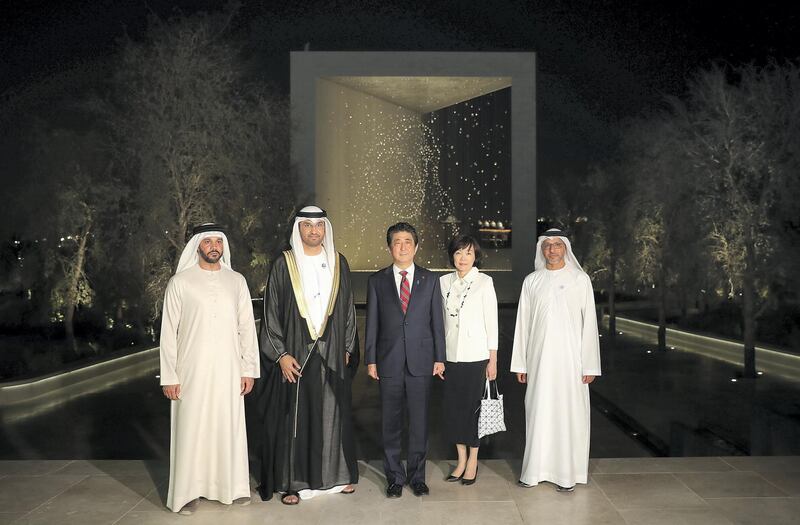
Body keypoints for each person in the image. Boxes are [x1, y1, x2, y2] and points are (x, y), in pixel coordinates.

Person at [257, 206, 359, 505]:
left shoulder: (338, 262)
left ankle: (335, 478)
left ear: (325, 229)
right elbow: (271, 313)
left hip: (331, 351)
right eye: (307, 226)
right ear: (298, 229)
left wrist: (348, 347)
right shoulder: (284, 264)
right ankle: (294, 483)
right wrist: (281, 355)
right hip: (296, 354)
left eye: (319, 225)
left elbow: (348, 309)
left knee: (332, 415)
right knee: (296, 420)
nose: (314, 231)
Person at [159, 223, 260, 515]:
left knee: (227, 427)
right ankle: (187, 493)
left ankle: (231, 487)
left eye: (219, 241)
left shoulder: (237, 281)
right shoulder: (180, 282)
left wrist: (248, 369)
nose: (214, 246)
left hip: (229, 370)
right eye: (208, 242)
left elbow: (246, 328)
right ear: (198, 246)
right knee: (192, 430)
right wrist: (169, 375)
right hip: (190, 371)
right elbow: (168, 333)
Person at [510, 228, 601, 492]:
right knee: (538, 411)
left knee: (569, 414)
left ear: (566, 249)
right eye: (547, 245)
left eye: (557, 245)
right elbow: (522, 325)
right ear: (542, 250)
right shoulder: (532, 281)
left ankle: (567, 475)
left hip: (571, 362)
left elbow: (589, 324)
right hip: (539, 361)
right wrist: (521, 364)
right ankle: (533, 472)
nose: (552, 250)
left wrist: (590, 364)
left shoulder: (580, 279)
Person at [365, 222, 446, 498]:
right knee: (390, 422)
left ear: (416, 246)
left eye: (407, 242)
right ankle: (394, 478)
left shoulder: (430, 279)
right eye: (397, 242)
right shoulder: (377, 281)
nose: (402, 247)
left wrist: (440, 357)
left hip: (421, 360)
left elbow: (438, 322)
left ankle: (418, 477)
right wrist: (371, 360)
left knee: (420, 422)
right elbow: (372, 323)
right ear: (389, 247)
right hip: (388, 361)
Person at [439, 235, 498, 485]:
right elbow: (439, 322)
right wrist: (438, 357)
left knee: (474, 410)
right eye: (458, 253)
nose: (463, 258)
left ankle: (473, 459)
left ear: (476, 257)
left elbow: (492, 323)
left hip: (477, 356)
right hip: (451, 356)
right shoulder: (443, 282)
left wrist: (492, 360)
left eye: (468, 254)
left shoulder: (485, 282)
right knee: (454, 410)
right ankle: (460, 459)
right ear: (452, 256)